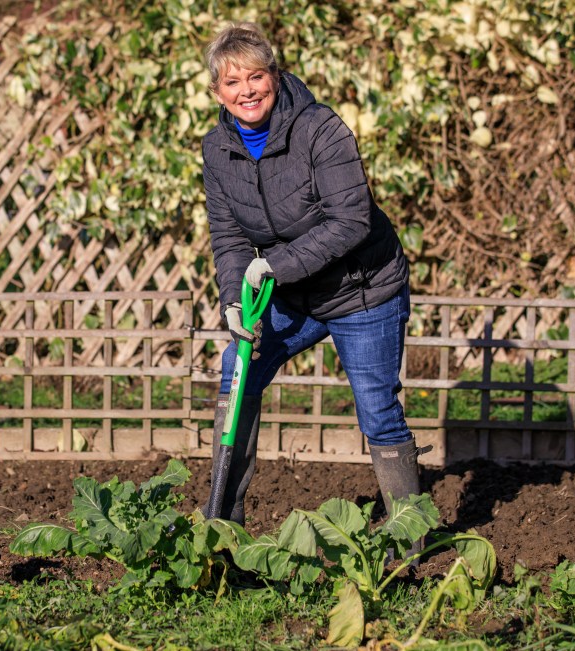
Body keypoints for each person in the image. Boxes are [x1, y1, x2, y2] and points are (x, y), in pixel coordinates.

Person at [200, 22, 427, 546]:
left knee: (377, 408)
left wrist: (275, 265)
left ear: (274, 76)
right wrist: (234, 301)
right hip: (296, 294)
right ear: (218, 92)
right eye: (233, 83)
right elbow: (229, 234)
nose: (247, 91)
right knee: (238, 372)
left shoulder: (319, 128)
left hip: (361, 290)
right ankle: (222, 529)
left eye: (256, 77)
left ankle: (411, 544)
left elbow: (351, 221)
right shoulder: (218, 149)